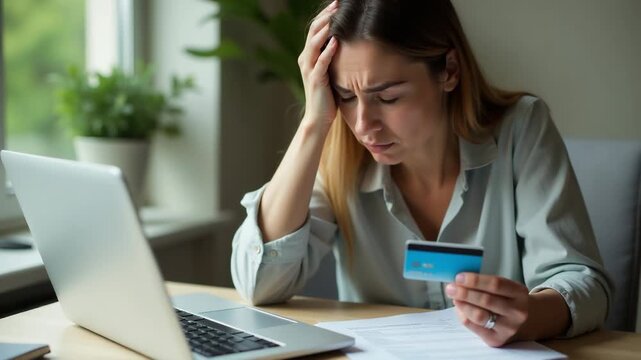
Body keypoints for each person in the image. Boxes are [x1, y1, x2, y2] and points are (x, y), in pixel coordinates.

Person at [231, 0, 612, 347]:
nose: (364, 125)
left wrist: (528, 315)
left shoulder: (522, 129)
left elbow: (584, 284)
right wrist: (314, 124)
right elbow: (260, 284)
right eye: (346, 96)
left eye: (389, 97)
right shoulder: (338, 150)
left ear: (448, 70)